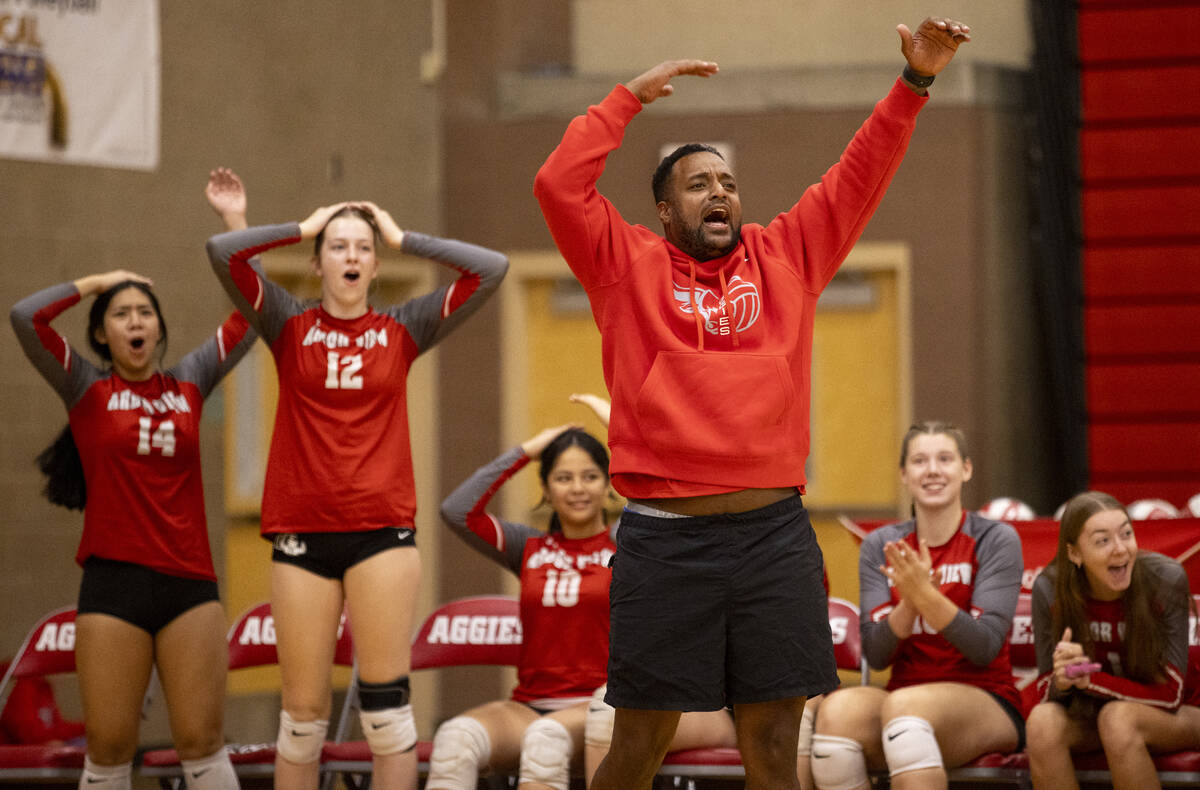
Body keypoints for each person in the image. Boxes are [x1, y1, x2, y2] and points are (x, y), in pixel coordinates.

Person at [533, 16, 971, 790]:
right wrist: (625, 100)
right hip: (666, 542)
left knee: (774, 745)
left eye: (728, 184)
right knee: (637, 745)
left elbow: (858, 173)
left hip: (773, 535)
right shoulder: (624, 265)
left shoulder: (787, 255)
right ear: (665, 213)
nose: (720, 194)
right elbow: (558, 184)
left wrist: (915, 82)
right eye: (698, 184)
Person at [206, 201, 507, 790]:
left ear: (374, 267)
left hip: (382, 535)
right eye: (337, 247)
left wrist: (403, 236)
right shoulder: (287, 322)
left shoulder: (404, 327)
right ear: (317, 265)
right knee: (301, 722)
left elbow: (490, 269)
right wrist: (302, 227)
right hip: (301, 535)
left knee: (388, 718)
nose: (351, 256)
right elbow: (223, 254)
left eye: (363, 248)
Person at [9, 168, 258, 790]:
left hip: (190, 584)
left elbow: (251, 313)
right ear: (102, 332)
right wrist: (100, 280)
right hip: (114, 586)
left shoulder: (189, 384)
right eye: (120, 314)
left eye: (144, 311)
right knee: (111, 749)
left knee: (203, 744)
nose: (135, 321)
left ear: (158, 327)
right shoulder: (87, 390)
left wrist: (235, 223)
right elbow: (25, 317)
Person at [808, 422, 1024, 790]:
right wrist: (909, 603)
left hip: (987, 698)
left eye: (945, 459)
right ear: (905, 475)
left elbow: (984, 647)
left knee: (905, 713)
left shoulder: (995, 538)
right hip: (904, 697)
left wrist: (925, 596)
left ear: (966, 469)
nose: (933, 470)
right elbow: (876, 655)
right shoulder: (883, 544)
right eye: (920, 461)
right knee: (835, 715)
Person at [430, 410, 615, 790]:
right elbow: (457, 510)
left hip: (601, 708)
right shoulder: (527, 547)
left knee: (544, 741)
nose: (577, 488)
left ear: (608, 484)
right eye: (563, 478)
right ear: (546, 489)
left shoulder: (626, 540)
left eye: (590, 476)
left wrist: (622, 431)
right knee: (454, 741)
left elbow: (664, 492)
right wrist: (527, 451)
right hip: (528, 707)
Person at [1025, 492, 1200, 790]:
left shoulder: (1165, 579)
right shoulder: (1050, 589)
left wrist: (1089, 680)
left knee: (1117, 719)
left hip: (1182, 714)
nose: (1120, 549)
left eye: (1126, 534)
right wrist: (1063, 681)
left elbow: (1172, 695)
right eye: (1102, 540)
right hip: (1095, 714)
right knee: (1042, 723)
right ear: (1074, 553)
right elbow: (1044, 689)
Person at [0, 659, 86, 747]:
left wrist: (87, 727)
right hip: (19, 752)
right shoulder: (23, 685)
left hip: (38, 745)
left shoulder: (43, 686)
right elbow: (26, 731)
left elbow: (56, 727)